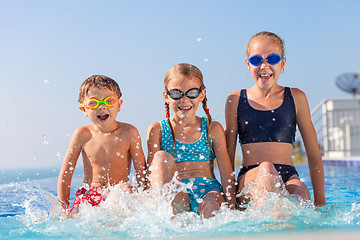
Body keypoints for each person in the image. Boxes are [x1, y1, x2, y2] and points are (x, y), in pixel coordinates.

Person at [225, 31, 326, 207]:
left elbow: (314, 155)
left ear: (282, 63)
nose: (264, 66)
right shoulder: (235, 100)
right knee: (266, 169)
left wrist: (321, 201)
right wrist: (230, 203)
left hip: (288, 174)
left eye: (272, 59)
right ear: (248, 64)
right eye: (257, 60)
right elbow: (228, 156)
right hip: (250, 176)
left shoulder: (296, 97)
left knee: (301, 193)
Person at [146, 63, 236, 218]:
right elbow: (151, 175)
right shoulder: (158, 129)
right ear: (166, 96)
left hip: (208, 192)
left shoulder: (212, 128)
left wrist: (233, 207)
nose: (184, 99)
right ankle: (166, 216)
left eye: (192, 92)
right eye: (176, 93)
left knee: (213, 203)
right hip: (176, 193)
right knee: (160, 158)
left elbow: (226, 173)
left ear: (202, 94)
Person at [57, 75, 147, 217]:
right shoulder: (82, 134)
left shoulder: (129, 133)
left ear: (119, 105)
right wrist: (63, 209)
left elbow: (142, 173)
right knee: (75, 216)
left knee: (127, 189)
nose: (102, 106)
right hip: (89, 194)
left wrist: (146, 202)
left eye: (109, 101)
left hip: (119, 193)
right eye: (93, 103)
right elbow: (65, 174)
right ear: (83, 109)